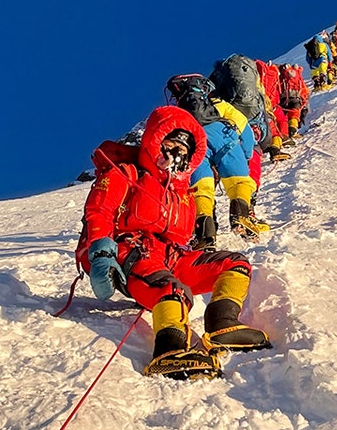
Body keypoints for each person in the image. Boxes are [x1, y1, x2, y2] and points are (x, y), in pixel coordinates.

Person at [80, 105, 271, 380]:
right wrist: (101, 253)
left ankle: (223, 324)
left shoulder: (183, 194)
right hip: (131, 254)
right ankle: (168, 351)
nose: (177, 152)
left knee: (234, 263)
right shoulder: (126, 173)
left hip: (171, 256)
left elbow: (181, 237)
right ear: (154, 141)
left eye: (184, 148)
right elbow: (99, 211)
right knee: (173, 289)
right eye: (171, 143)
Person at [166, 74, 268, 249]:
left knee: (201, 190)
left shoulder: (179, 113)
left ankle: (205, 235)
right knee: (240, 182)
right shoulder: (217, 104)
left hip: (196, 147)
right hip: (226, 140)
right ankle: (240, 216)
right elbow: (243, 126)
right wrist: (246, 154)